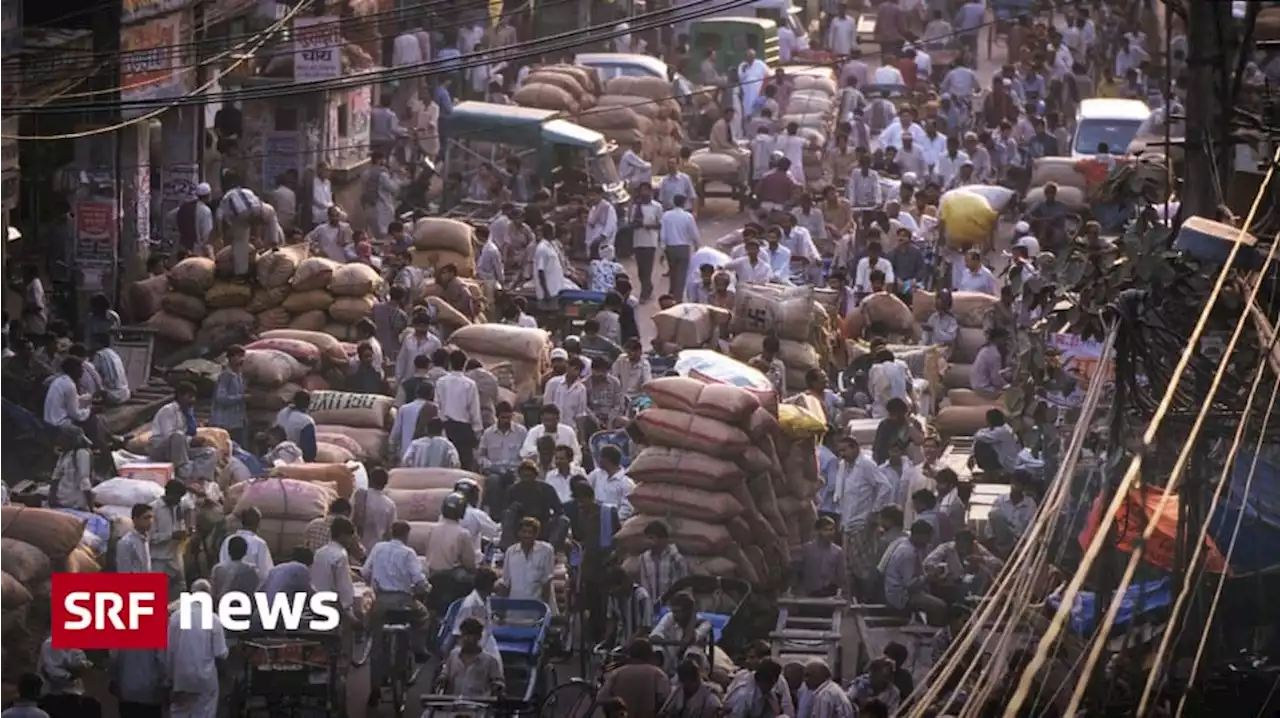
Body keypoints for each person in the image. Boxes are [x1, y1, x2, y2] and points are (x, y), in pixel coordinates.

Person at [363, 521, 431, 706]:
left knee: (377, 645)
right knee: (423, 615)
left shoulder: (378, 548)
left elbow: (365, 571)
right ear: (406, 535)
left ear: (391, 533)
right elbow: (418, 580)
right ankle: (419, 649)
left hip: (381, 602)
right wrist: (425, 588)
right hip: (403, 603)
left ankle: (375, 689)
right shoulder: (409, 553)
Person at [833, 436, 892, 598]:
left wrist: (874, 511)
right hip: (847, 522)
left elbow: (885, 486)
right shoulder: (843, 466)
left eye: (845, 450)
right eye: (840, 451)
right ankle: (850, 599)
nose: (842, 454)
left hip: (862, 523)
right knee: (847, 566)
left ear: (855, 448)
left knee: (863, 566)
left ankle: (866, 600)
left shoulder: (866, 465)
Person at [880, 520, 947, 624]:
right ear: (919, 536)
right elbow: (910, 584)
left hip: (896, 590)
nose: (929, 541)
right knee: (940, 606)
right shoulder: (907, 553)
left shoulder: (908, 545)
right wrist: (927, 577)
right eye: (927, 537)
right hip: (901, 595)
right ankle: (934, 634)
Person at [597, 638, 671, 715]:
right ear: (649, 655)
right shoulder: (657, 674)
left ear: (630, 654)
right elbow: (665, 699)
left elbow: (601, 698)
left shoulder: (617, 673)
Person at [439, 617, 505, 697]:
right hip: (451, 706)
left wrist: (497, 687)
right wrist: (442, 679)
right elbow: (445, 674)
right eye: (464, 634)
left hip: (477, 706)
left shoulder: (490, 661)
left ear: (479, 637)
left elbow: (498, 682)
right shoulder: (453, 655)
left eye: (470, 635)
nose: (466, 638)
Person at [501, 516, 557, 609]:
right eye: (524, 531)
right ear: (518, 533)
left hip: (537, 605)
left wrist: (544, 609)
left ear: (536, 534)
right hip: (515, 605)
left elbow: (547, 582)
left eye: (530, 532)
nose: (527, 535)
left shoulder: (546, 550)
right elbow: (506, 582)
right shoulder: (511, 552)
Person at [37, 636, 97, 718]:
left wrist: (83, 666)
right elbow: (53, 672)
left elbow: (80, 660)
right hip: (56, 698)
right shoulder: (51, 644)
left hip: (74, 696)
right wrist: (71, 675)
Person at [650, 593, 712, 673]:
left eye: (678, 612)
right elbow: (653, 637)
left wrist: (692, 619)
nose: (675, 615)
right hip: (670, 664)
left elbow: (688, 640)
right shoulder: (670, 617)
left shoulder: (704, 624)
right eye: (673, 612)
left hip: (695, 670)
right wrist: (674, 643)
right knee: (656, 648)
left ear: (688, 612)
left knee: (693, 651)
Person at [150, 480, 191, 600]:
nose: (179, 501)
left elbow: (191, 506)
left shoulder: (177, 507)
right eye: (178, 497)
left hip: (174, 557)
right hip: (158, 560)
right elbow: (151, 537)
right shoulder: (154, 509)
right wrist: (171, 535)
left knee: (180, 590)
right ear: (169, 494)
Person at [453, 566, 503, 661]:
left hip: (487, 642)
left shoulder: (486, 599)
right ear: (489, 585)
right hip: (473, 648)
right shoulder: (469, 605)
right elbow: (458, 632)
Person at [792, 516, 845, 597]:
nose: (830, 533)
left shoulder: (838, 552)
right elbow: (797, 575)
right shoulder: (806, 549)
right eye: (826, 530)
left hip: (829, 596)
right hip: (807, 596)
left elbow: (841, 577)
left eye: (832, 529)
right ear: (818, 531)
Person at [602, 565, 653, 648]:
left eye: (616, 588)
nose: (614, 592)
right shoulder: (613, 596)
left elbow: (645, 627)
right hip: (620, 643)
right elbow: (612, 620)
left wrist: (629, 642)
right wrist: (606, 640)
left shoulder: (642, 597)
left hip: (640, 646)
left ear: (625, 582)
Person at [660, 194, 699, 301]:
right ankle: (678, 298)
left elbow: (663, 234)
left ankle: (671, 293)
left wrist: (662, 249)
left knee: (673, 272)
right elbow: (694, 233)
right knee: (681, 274)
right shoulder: (688, 216)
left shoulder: (666, 215)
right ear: (684, 203)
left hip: (670, 248)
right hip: (683, 247)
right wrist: (697, 246)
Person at [354, 467, 399, 554]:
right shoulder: (390, 505)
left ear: (370, 480)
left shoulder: (359, 496)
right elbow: (390, 532)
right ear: (385, 484)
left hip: (356, 549)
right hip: (378, 550)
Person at [210, 344, 248, 446]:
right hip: (226, 422)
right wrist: (241, 398)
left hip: (238, 421)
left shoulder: (240, 375)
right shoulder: (226, 376)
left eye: (242, 356)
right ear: (230, 358)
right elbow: (221, 398)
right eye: (238, 356)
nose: (241, 359)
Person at [50, 427, 92, 510]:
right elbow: (55, 478)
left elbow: (84, 481)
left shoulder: (80, 453)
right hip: (69, 500)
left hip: (70, 500)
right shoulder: (65, 454)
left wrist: (91, 505)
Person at [971, 408, 1020, 476]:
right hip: (1010, 461)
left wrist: (979, 432)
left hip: (1008, 464)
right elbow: (983, 432)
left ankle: (990, 472)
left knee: (981, 444)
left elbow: (978, 436)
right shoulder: (1004, 428)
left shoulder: (1001, 431)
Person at [211, 535, 260, 601]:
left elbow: (213, 593)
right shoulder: (252, 571)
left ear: (228, 550)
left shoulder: (217, 569)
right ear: (245, 552)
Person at [274, 390, 318, 462]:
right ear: (309, 404)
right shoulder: (306, 421)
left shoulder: (283, 412)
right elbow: (309, 453)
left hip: (276, 454)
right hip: (293, 457)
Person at [88, 332, 129, 406]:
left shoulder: (100, 355)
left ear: (99, 343)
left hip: (113, 396)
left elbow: (92, 374)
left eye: (93, 342)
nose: (91, 345)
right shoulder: (114, 353)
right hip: (125, 393)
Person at [114, 503, 153, 573]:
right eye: (146, 518)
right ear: (135, 520)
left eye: (151, 517)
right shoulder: (126, 542)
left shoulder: (145, 538)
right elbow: (124, 570)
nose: (150, 521)